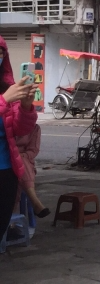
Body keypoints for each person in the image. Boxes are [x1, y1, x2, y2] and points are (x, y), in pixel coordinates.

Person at [0, 36, 39, 244]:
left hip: (6, 172)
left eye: (0, 53)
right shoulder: (6, 94)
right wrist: (5, 100)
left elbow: (20, 129)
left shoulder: (6, 85)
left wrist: (25, 106)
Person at [15, 124, 49, 218]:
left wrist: (21, 156)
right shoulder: (6, 125)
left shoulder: (34, 128)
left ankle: (10, 218)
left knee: (19, 164)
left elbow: (33, 150)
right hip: (7, 161)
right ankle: (35, 202)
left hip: (24, 162)